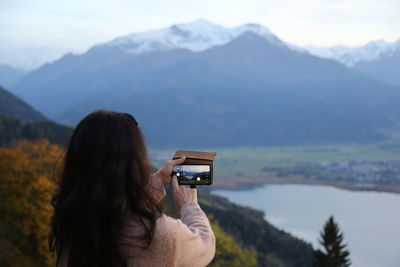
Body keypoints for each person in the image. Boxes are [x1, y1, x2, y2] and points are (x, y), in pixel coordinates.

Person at [49, 110, 216, 267]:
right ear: (135, 162)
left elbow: (115, 206)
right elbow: (205, 246)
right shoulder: (156, 235)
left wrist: (157, 181)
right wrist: (190, 205)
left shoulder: (68, 222)